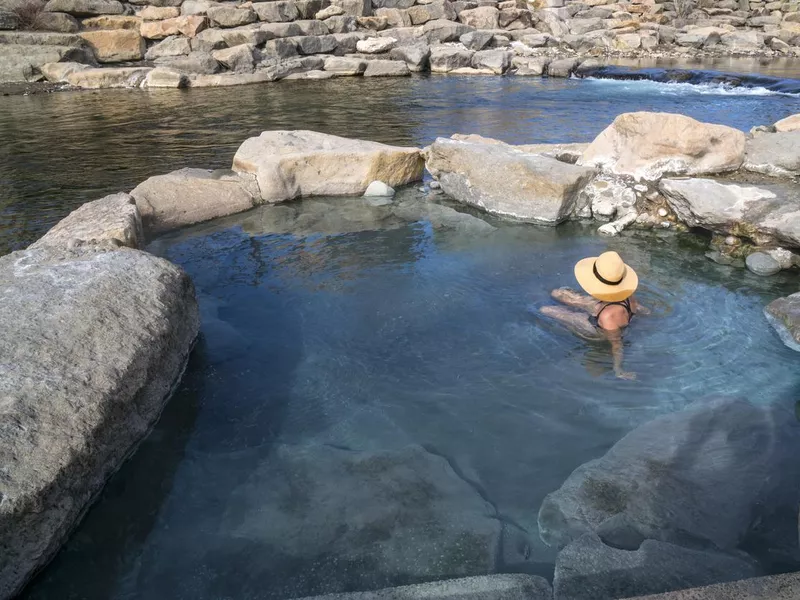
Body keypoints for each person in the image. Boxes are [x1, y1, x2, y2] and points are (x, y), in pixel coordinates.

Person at [540, 251, 648, 380]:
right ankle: (575, 301)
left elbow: (616, 344)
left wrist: (618, 369)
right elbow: (638, 307)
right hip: (610, 305)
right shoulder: (627, 292)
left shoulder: (608, 316)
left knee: (545, 310)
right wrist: (646, 312)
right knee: (557, 293)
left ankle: (572, 308)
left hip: (598, 326)